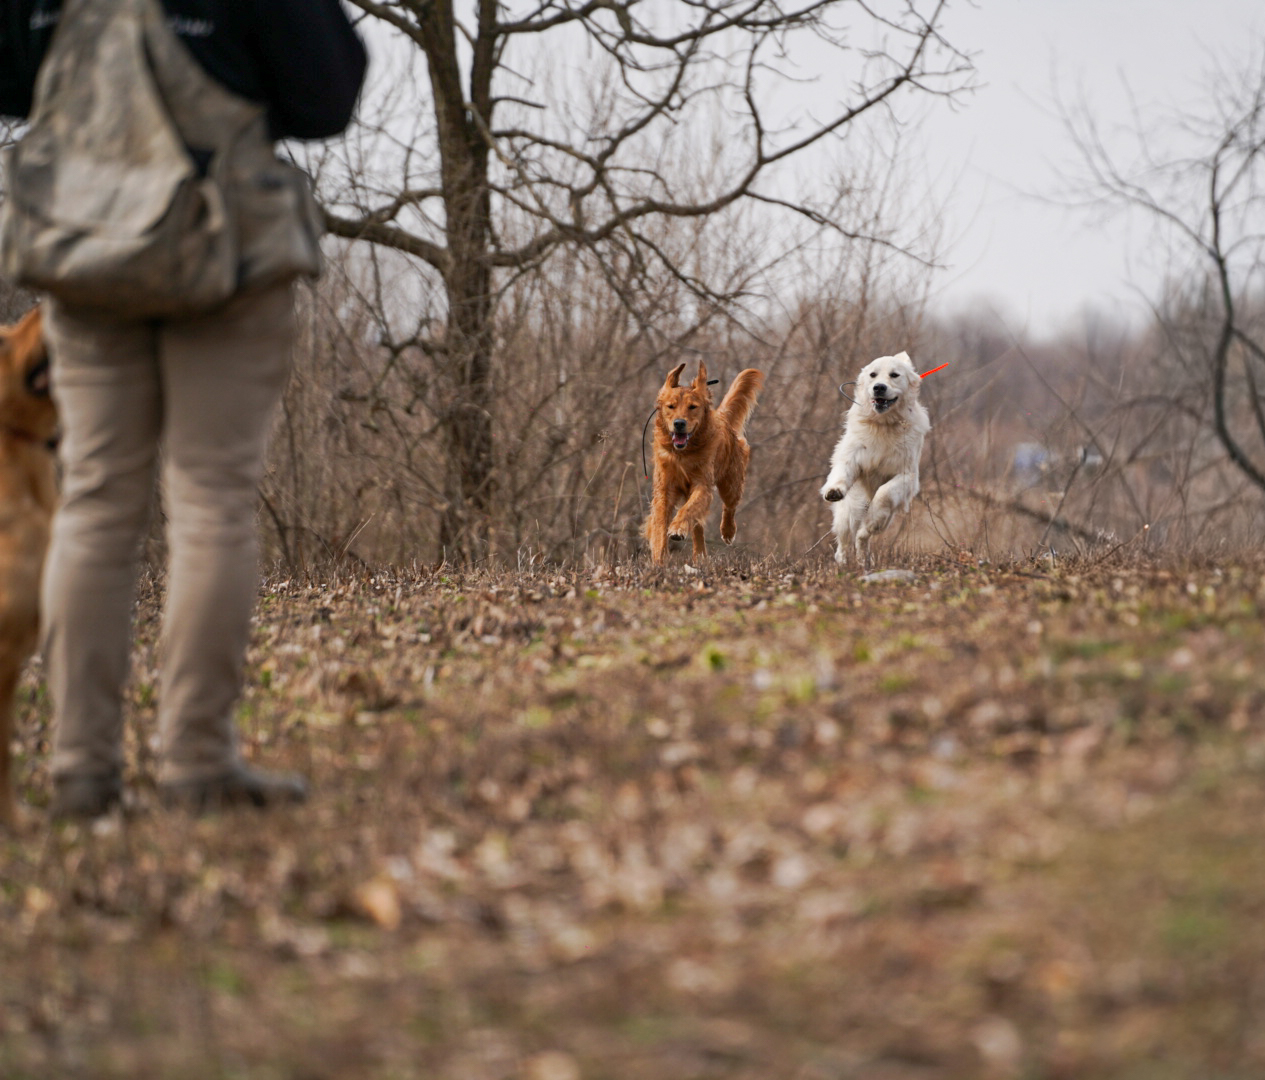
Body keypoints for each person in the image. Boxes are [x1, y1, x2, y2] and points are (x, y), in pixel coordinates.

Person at [0, 0, 367, 817]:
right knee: (211, 502)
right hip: (227, 251)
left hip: (85, 251)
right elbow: (326, 96)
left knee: (94, 502)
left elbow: (11, 76)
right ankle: (197, 763)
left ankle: (81, 770)